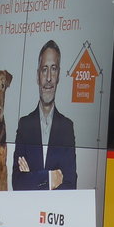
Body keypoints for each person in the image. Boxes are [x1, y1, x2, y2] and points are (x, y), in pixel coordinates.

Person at [12, 40, 77, 190]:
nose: (48, 78)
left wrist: (32, 177)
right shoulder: (25, 125)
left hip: (55, 212)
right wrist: (50, 179)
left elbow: (70, 184)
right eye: (44, 69)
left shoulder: (67, 127)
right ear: (37, 76)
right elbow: (17, 182)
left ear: (59, 75)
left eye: (53, 69)